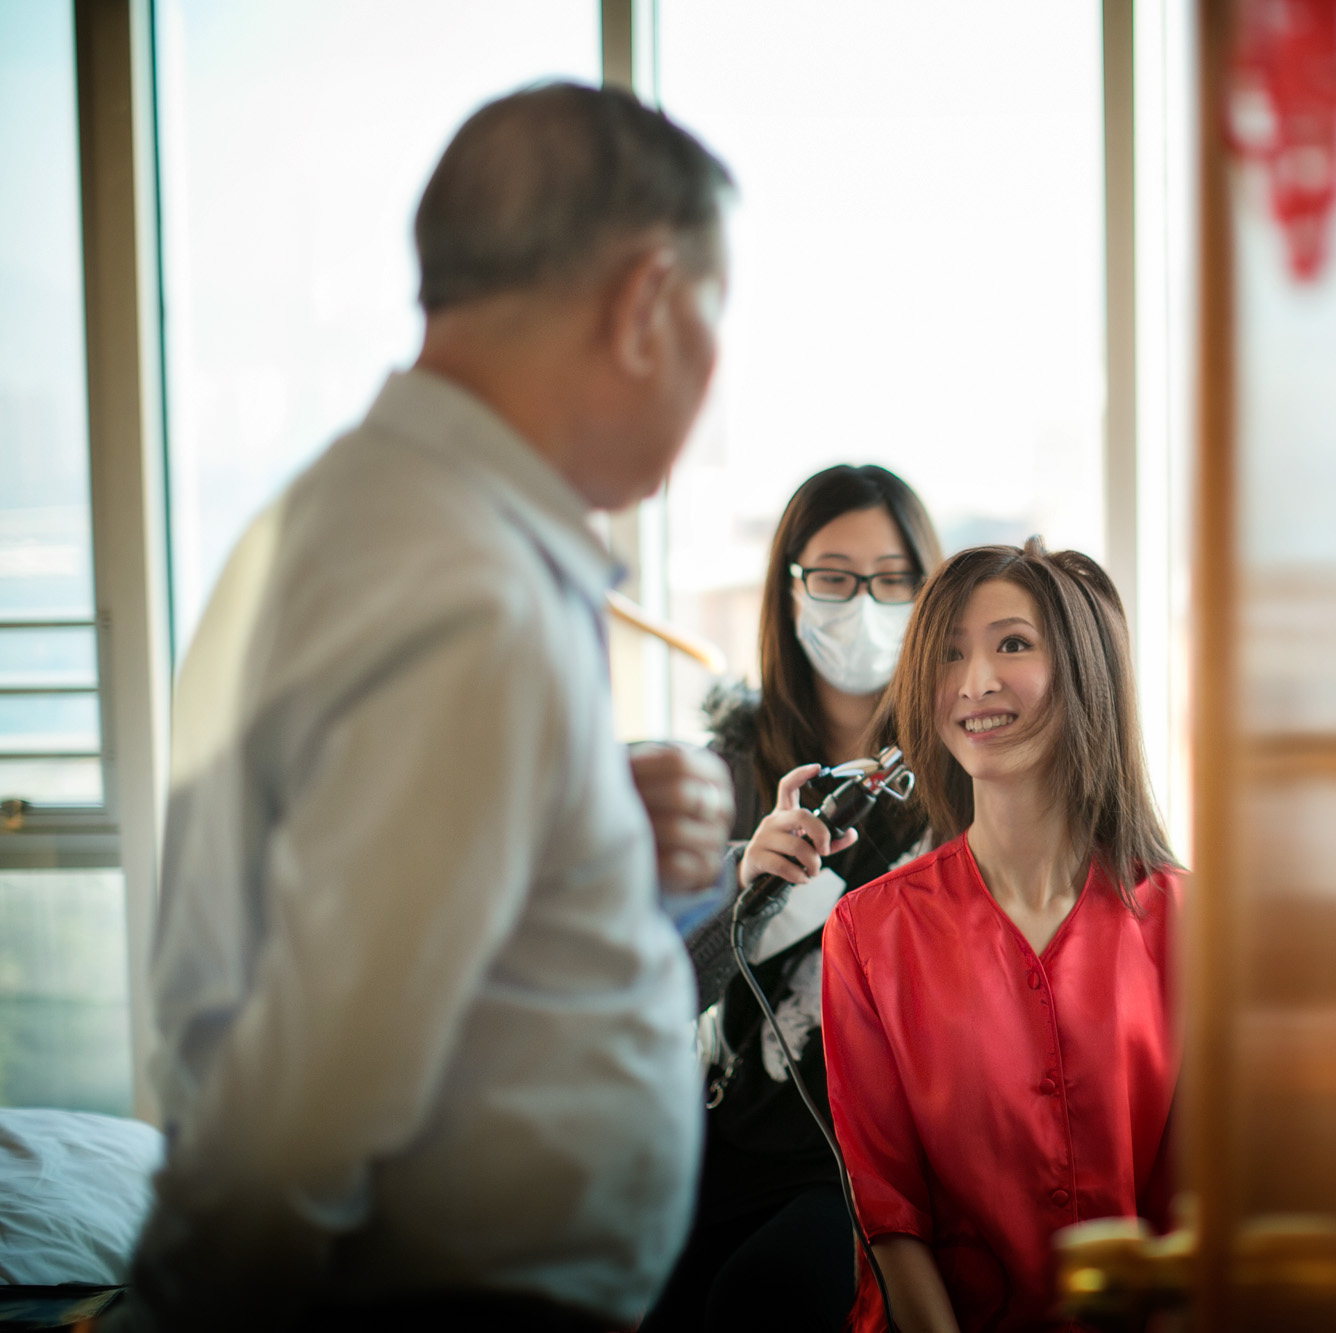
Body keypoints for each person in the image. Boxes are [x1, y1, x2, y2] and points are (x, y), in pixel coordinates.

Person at [113, 84, 737, 1333]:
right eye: (716, 316)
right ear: (645, 303)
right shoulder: (468, 594)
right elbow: (306, 1102)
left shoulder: (354, 517)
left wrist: (580, 821)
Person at [821, 539, 1180, 1333]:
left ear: (1084, 668)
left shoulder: (1192, 924)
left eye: (1013, 644)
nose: (976, 682)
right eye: (950, 654)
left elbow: (1202, 1197)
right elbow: (888, 1210)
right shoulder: (867, 932)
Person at [645, 464, 943, 1332]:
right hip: (724, 1132)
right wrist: (741, 884)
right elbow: (657, 994)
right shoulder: (723, 776)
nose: (864, 605)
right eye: (834, 578)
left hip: (863, 1160)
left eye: (893, 579)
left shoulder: (956, 776)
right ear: (790, 591)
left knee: (765, 1295)